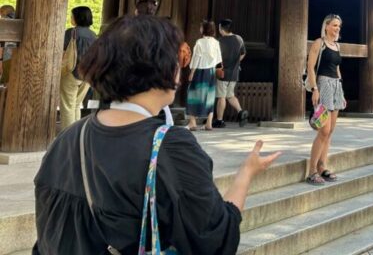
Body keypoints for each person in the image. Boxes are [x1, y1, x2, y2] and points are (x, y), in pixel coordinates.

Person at [33, 15, 280, 254]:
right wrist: (246, 173)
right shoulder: (169, 147)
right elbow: (215, 239)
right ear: (162, 67)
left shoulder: (68, 138)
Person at [305, 14, 346, 185]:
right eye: (335, 25)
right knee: (323, 130)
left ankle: (323, 166)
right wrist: (315, 88)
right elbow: (310, 67)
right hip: (323, 84)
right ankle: (312, 170)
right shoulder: (318, 43)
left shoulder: (337, 45)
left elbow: (337, 69)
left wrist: (341, 92)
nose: (337, 28)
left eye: (339, 26)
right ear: (327, 26)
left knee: (330, 132)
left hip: (336, 86)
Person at [59, 6, 98, 129]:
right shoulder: (93, 35)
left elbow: (62, 51)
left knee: (67, 106)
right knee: (76, 105)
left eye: (72, 16)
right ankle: (75, 134)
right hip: (87, 75)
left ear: (77, 18)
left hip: (71, 72)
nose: (71, 18)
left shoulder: (71, 32)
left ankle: (67, 137)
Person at [213, 19, 248, 128]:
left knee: (221, 97)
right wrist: (236, 63)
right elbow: (243, 53)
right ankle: (241, 112)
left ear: (221, 28)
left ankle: (219, 120)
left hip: (223, 73)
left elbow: (217, 58)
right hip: (234, 73)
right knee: (230, 95)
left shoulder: (220, 41)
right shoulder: (239, 39)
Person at [187, 20, 221, 131]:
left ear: (204, 29)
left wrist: (192, 72)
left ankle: (193, 122)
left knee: (192, 94)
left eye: (202, 27)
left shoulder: (200, 42)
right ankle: (209, 123)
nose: (200, 29)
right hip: (211, 71)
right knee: (210, 96)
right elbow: (218, 59)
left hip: (199, 71)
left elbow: (196, 58)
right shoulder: (216, 43)